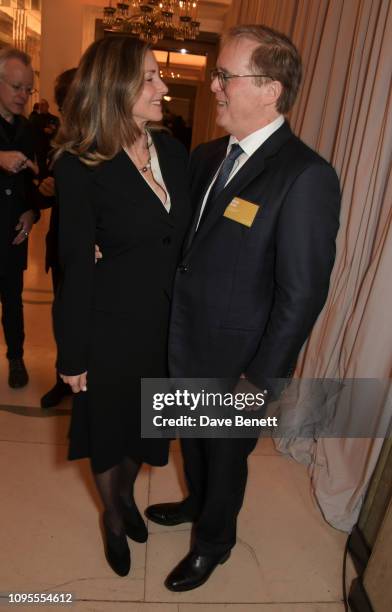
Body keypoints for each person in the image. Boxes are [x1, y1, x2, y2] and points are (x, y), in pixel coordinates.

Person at [145, 24, 341, 591]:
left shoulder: (305, 176)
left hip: (241, 360)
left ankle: (215, 542)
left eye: (226, 76)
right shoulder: (208, 156)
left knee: (226, 456)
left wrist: (259, 379)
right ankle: (197, 503)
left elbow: (302, 293)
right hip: (190, 338)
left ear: (271, 89)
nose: (215, 87)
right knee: (195, 441)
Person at [52, 36, 191, 577]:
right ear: (115, 87)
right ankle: (113, 516)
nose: (163, 86)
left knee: (147, 430)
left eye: (160, 75)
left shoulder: (175, 153)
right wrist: (72, 355)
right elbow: (75, 267)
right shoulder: (79, 165)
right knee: (110, 434)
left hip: (165, 329)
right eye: (151, 78)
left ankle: (127, 497)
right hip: (109, 327)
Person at [0, 47, 40, 388]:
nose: (23, 95)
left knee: (13, 300)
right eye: (16, 87)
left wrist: (31, 212)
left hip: (12, 232)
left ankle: (16, 357)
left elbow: (31, 183)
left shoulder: (28, 129)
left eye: (28, 89)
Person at [39, 69, 77, 409]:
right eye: (64, 104)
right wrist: (45, 189)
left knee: (87, 318)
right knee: (61, 315)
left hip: (95, 250)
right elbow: (46, 190)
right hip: (61, 244)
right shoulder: (58, 143)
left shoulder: (105, 141)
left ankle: (85, 383)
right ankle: (62, 377)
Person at [29, 97, 59, 178]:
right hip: (40, 148)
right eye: (39, 105)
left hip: (51, 148)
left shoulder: (54, 118)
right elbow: (32, 131)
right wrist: (43, 130)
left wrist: (53, 130)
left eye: (43, 105)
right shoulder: (35, 119)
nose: (41, 107)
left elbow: (58, 132)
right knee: (41, 168)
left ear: (47, 106)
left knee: (52, 168)